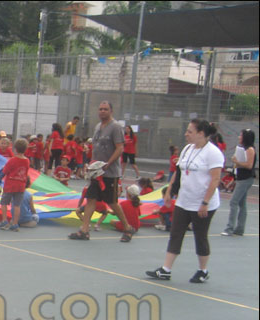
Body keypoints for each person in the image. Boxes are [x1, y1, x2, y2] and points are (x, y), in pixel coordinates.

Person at [146, 119, 223, 283]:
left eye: (190, 131)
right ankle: (166, 269)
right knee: (176, 233)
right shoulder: (188, 149)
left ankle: (203, 270)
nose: (186, 134)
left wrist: (205, 202)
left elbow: (215, 179)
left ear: (201, 133)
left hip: (202, 203)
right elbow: (179, 172)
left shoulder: (213, 153)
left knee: (200, 235)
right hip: (184, 200)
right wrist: (169, 191)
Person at [69, 101, 134, 240]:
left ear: (111, 111)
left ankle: (127, 228)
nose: (102, 111)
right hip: (96, 172)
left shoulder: (115, 127)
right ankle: (84, 230)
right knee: (91, 199)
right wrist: (91, 165)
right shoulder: (98, 127)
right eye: (100, 109)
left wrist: (108, 163)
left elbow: (120, 148)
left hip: (110, 173)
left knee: (112, 202)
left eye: (105, 109)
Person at [222, 129, 255, 237]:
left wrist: (237, 162)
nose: (239, 137)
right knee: (242, 203)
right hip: (241, 178)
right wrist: (236, 162)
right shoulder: (244, 148)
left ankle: (229, 228)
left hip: (246, 179)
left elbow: (249, 165)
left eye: (241, 135)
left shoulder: (250, 149)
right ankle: (240, 229)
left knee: (233, 202)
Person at [0, 138, 30, 232]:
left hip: (10, 185)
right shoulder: (27, 161)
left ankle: (4, 221)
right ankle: (15, 223)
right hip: (21, 185)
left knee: (4, 203)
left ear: (15, 149)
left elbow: (5, 171)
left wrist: (1, 174)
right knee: (17, 205)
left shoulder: (12, 160)